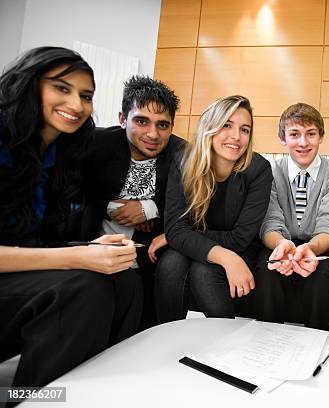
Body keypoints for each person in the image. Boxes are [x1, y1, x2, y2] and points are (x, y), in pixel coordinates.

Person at [0, 46, 142, 389]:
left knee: (125, 279)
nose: (77, 105)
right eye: (62, 88)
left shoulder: (61, 155)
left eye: (86, 95)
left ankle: (95, 390)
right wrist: (78, 256)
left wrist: (93, 247)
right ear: (28, 84)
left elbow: (38, 239)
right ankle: (36, 398)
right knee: (83, 286)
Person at [155, 95, 272, 321]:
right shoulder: (183, 162)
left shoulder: (258, 169)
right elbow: (176, 229)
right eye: (226, 125)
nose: (236, 137)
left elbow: (240, 238)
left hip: (242, 248)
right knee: (171, 264)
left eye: (245, 129)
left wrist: (180, 237)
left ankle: (225, 346)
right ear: (210, 127)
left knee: (204, 271)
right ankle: (166, 339)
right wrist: (223, 256)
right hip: (209, 246)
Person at [80, 76, 185, 329]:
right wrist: (111, 207)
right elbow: (71, 187)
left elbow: (196, 201)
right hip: (92, 243)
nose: (153, 134)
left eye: (163, 125)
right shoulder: (98, 144)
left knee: (143, 323)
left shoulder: (182, 154)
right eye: (141, 121)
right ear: (122, 119)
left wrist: (149, 209)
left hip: (146, 254)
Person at [251, 102, 329, 330]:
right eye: (294, 134)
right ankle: (266, 346)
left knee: (322, 279)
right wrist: (282, 245)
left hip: (318, 246)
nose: (303, 143)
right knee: (268, 272)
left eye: (311, 134)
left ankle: (315, 349)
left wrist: (311, 249)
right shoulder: (270, 172)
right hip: (279, 243)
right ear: (283, 138)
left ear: (321, 137)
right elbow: (269, 222)